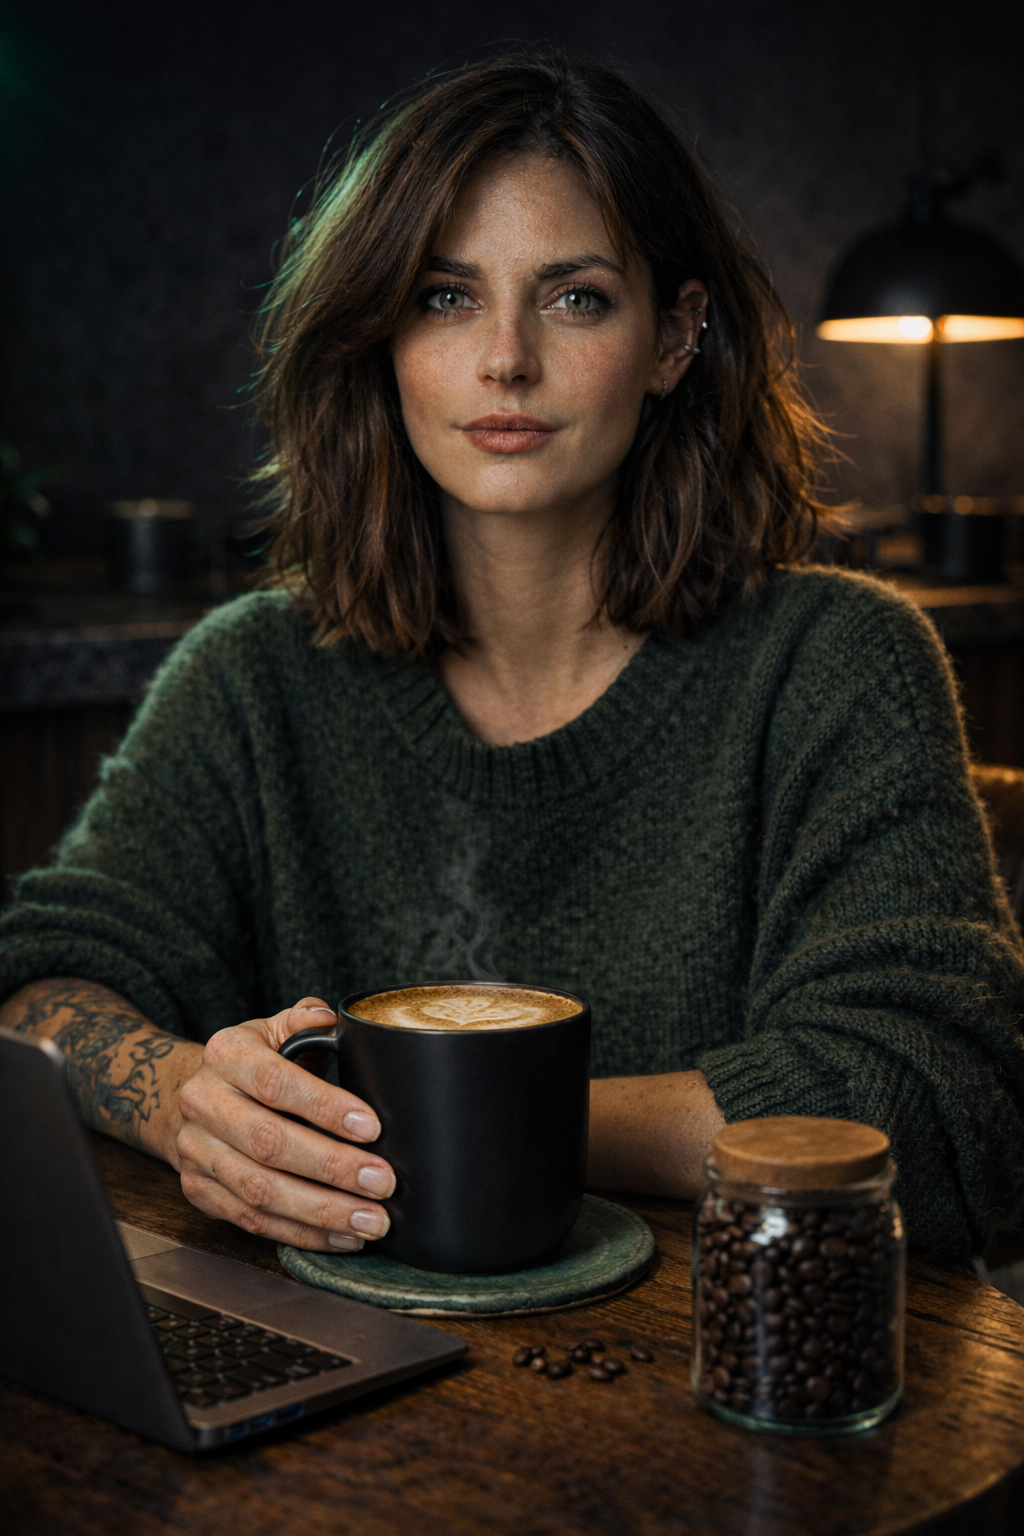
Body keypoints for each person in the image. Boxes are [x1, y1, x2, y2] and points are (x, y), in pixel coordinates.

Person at [2, 54, 1022, 1265]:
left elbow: (938, 1107)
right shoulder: (249, 677)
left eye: (574, 297)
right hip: (342, 1358)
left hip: (728, 1354)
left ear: (674, 336)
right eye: (444, 297)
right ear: (381, 337)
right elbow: (39, 987)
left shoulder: (837, 662)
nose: (504, 358)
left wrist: (439, 1122)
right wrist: (186, 1103)